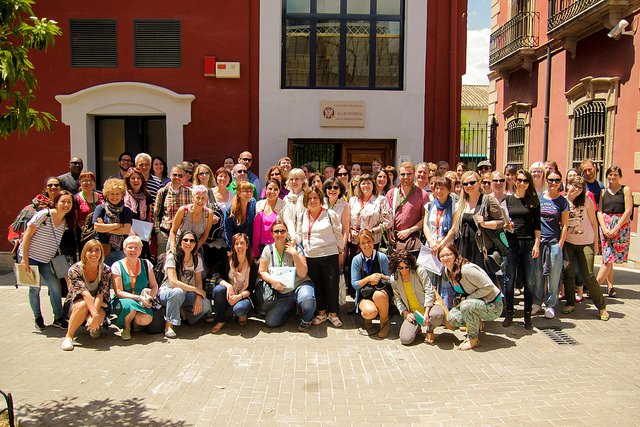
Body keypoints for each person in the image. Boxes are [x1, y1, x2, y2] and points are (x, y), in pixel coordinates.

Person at [18, 190, 76, 330]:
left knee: (55, 287)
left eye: (69, 202)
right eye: (63, 201)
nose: (66, 205)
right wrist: (24, 260)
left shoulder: (65, 222)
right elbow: (27, 235)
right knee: (34, 289)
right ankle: (38, 318)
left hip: (45, 260)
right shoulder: (44, 215)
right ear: (56, 203)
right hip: (29, 257)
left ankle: (58, 317)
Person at [438, 244, 503, 350]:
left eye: (448, 254)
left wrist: (468, 299)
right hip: (476, 304)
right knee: (452, 317)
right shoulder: (447, 270)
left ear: (455, 255)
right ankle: (476, 323)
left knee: (466, 306)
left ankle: (473, 340)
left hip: (493, 305)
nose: (445, 258)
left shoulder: (467, 269)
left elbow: (489, 286)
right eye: (442, 256)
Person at [563, 176, 609, 320]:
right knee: (569, 273)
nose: (576, 189)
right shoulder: (563, 201)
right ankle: (570, 303)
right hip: (569, 242)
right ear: (568, 185)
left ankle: (602, 307)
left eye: (580, 187)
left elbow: (594, 222)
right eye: (574, 186)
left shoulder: (587, 201)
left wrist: (596, 243)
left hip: (586, 242)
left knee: (588, 275)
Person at [298, 186, 344, 327]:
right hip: (311, 256)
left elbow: (338, 234)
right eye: (309, 198)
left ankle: (334, 315)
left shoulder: (330, 214)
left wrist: (341, 252)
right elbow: (300, 234)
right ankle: (322, 314)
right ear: (306, 200)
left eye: (315, 197)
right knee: (318, 287)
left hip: (329, 255)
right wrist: (293, 240)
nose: (313, 201)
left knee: (331, 286)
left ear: (320, 199)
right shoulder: (303, 216)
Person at [259, 220, 316, 331]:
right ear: (272, 233)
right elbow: (262, 271)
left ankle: (307, 320)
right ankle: (291, 309)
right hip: (283, 292)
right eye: (276, 231)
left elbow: (303, 273)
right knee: (271, 322)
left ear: (287, 232)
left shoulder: (297, 248)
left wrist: (294, 254)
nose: (279, 234)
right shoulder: (268, 249)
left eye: (282, 231)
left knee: (307, 299)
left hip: (299, 285)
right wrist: (273, 281)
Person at [501, 170, 540, 329]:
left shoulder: (534, 201)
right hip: (511, 242)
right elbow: (502, 220)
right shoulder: (507, 199)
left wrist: (537, 243)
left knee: (529, 282)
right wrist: (505, 225)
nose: (522, 183)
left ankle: (528, 315)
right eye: (519, 180)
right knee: (509, 280)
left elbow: (537, 225)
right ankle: (509, 312)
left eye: (525, 181)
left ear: (529, 183)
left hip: (529, 243)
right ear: (514, 181)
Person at [158, 230, 211, 338]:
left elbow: (199, 282)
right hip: (168, 292)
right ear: (180, 241)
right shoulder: (172, 257)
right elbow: (173, 282)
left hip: (186, 293)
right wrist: (196, 290)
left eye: (192, 241)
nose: (188, 243)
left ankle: (185, 316)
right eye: (185, 240)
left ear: (195, 244)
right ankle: (169, 325)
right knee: (178, 292)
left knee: (205, 304)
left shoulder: (197, 259)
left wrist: (198, 297)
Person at [61, 240, 111, 351]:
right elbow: (85, 294)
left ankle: (93, 326)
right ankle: (69, 336)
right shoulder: (75, 270)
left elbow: (100, 294)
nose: (94, 254)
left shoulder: (106, 270)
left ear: (101, 253)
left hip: (99, 303)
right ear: (84, 253)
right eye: (90, 251)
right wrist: (94, 315)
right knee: (83, 304)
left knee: (102, 307)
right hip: (79, 301)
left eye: (97, 250)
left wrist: (94, 315)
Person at [389, 250, 446, 345]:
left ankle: (430, 330)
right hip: (413, 313)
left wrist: (427, 311)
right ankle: (417, 327)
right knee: (405, 339)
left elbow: (429, 290)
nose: (404, 270)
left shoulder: (419, 271)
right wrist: (406, 313)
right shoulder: (394, 278)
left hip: (428, 307)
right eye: (400, 268)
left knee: (437, 315)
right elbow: (397, 299)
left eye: (407, 267)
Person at [533, 170, 569, 319]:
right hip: (539, 241)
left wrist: (560, 245)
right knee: (538, 273)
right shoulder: (540, 198)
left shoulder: (563, 202)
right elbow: (535, 221)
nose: (553, 183)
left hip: (554, 242)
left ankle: (550, 304)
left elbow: (565, 225)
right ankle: (536, 303)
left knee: (554, 275)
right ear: (546, 181)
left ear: (560, 182)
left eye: (557, 180)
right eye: (551, 180)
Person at [452, 171, 505, 270]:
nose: (469, 186)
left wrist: (485, 224)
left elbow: (501, 222)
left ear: (479, 183)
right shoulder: (461, 202)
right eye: (465, 184)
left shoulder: (488, 200)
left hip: (480, 249)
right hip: (463, 247)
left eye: (472, 182)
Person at [110, 236, 159, 340]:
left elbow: (154, 285)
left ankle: (134, 322)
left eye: (136, 247)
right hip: (124, 300)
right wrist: (138, 298)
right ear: (124, 249)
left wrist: (150, 298)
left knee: (146, 319)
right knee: (130, 306)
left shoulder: (146, 264)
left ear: (140, 250)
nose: (133, 250)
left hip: (142, 300)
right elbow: (119, 292)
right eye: (130, 247)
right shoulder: (117, 266)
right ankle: (126, 327)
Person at [597, 166, 633, 297]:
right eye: (610, 175)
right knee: (608, 257)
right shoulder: (603, 192)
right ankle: (607, 286)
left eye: (615, 175)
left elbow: (628, 210)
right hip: (606, 225)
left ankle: (597, 286)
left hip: (620, 226)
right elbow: (599, 211)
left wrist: (616, 228)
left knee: (610, 257)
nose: (612, 177)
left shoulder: (625, 190)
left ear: (620, 176)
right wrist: (604, 227)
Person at [211, 233, 257, 333]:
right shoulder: (228, 259)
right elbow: (217, 277)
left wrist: (238, 297)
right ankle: (221, 321)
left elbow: (250, 289)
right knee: (218, 290)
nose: (239, 246)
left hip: (243, 294)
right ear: (233, 246)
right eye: (236, 244)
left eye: (242, 243)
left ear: (247, 245)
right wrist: (228, 286)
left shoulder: (252, 264)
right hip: (229, 292)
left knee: (239, 309)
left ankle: (242, 312)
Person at [423, 176, 458, 308]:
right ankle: (430, 308)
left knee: (445, 278)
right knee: (429, 279)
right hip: (431, 245)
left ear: (449, 190)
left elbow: (453, 228)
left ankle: (446, 308)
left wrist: (442, 243)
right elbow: (426, 225)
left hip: (447, 246)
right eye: (436, 188)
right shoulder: (430, 205)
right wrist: (431, 242)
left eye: (442, 188)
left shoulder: (455, 206)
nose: (439, 191)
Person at [350, 229, 391, 337]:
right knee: (369, 312)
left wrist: (381, 276)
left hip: (380, 291)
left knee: (379, 295)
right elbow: (354, 284)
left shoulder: (381, 257)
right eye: (363, 243)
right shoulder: (357, 260)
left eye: (369, 241)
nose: (367, 245)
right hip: (365, 293)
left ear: (373, 241)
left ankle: (384, 323)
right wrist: (369, 279)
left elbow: (391, 279)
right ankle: (368, 319)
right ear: (359, 245)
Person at [386, 162, 428, 254]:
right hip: (394, 240)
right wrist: (389, 231)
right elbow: (385, 216)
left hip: (413, 240)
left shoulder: (423, 194)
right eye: (403, 174)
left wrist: (409, 230)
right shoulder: (391, 193)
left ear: (414, 175)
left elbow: (425, 218)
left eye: (409, 174)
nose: (406, 177)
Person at [154, 164, 192, 257]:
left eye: (180, 175)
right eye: (175, 175)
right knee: (163, 259)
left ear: (184, 178)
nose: (177, 177)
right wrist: (158, 231)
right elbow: (156, 213)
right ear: (170, 175)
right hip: (165, 232)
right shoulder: (162, 192)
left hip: (182, 233)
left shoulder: (189, 193)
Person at [92, 178, 132, 265]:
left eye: (117, 194)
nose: (115, 197)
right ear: (107, 194)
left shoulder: (126, 211)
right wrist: (118, 225)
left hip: (120, 250)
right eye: (112, 194)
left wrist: (105, 228)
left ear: (122, 195)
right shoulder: (100, 209)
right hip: (103, 249)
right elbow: (97, 227)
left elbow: (126, 230)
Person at [168, 184, 215, 256]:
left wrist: (195, 249)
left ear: (207, 199)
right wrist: (172, 247)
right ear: (192, 198)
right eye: (198, 198)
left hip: (195, 245)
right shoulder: (183, 210)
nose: (200, 201)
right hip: (178, 243)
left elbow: (205, 234)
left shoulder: (209, 213)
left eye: (203, 198)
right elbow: (173, 231)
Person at [253, 179, 285, 257]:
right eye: (270, 188)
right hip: (258, 248)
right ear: (265, 190)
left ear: (279, 191)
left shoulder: (284, 206)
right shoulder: (258, 205)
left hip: (276, 249)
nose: (272, 191)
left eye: (275, 189)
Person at [324, 177, 350, 271]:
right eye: (329, 187)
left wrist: (342, 249)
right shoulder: (321, 202)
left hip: (337, 246)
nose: (332, 190)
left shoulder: (344, 205)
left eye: (335, 187)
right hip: (323, 244)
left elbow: (346, 229)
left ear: (340, 190)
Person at [224, 181, 256, 247]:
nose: (249, 194)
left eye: (251, 191)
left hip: (250, 245)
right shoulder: (230, 210)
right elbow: (228, 231)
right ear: (238, 193)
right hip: (237, 246)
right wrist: (233, 247)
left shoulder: (253, 203)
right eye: (245, 191)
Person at [281, 168, 308, 243]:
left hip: (305, 238)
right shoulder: (286, 199)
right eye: (291, 179)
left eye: (297, 179)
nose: (294, 182)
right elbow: (286, 220)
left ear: (303, 181)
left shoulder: (308, 197)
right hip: (289, 237)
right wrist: (293, 237)